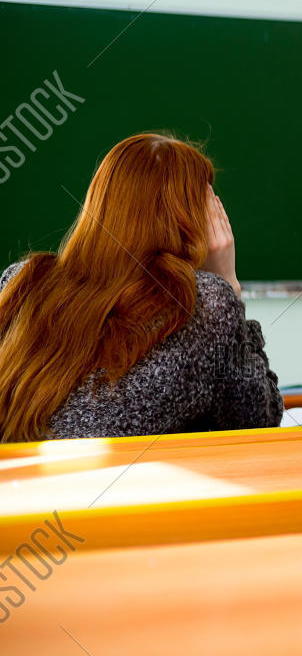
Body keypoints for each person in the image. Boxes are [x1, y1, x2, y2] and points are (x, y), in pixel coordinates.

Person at [0, 133, 281, 441]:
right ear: (195, 220)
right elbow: (257, 421)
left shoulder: (22, 281)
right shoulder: (207, 305)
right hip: (128, 487)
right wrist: (230, 285)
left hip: (18, 485)